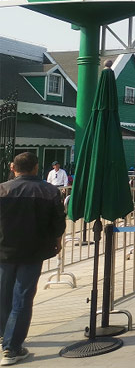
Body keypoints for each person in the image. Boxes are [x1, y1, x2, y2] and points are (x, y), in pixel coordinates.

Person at [0, 152, 66, 365]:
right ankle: (11, 347)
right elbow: (58, 222)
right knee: (22, 297)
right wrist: (57, 241)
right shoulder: (49, 191)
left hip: (4, 251)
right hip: (33, 251)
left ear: (13, 168)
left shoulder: (2, 190)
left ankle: (5, 335)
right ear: (36, 168)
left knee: (4, 295)